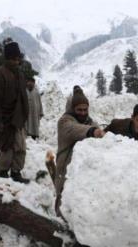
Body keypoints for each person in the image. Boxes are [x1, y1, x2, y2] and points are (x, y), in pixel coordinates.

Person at [55, 86, 105, 217]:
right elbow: (74, 129)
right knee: (63, 201)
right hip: (65, 170)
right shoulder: (64, 121)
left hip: (83, 173)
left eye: (85, 109)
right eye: (79, 110)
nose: (83, 113)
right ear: (73, 109)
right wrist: (92, 132)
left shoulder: (91, 122)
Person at [0, 42, 30, 184]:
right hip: (5, 118)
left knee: (20, 146)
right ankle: (2, 172)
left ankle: (16, 171)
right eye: (13, 58)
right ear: (7, 58)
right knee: (7, 146)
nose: (16, 61)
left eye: (17, 58)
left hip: (17, 118)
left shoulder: (19, 73)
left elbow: (22, 95)